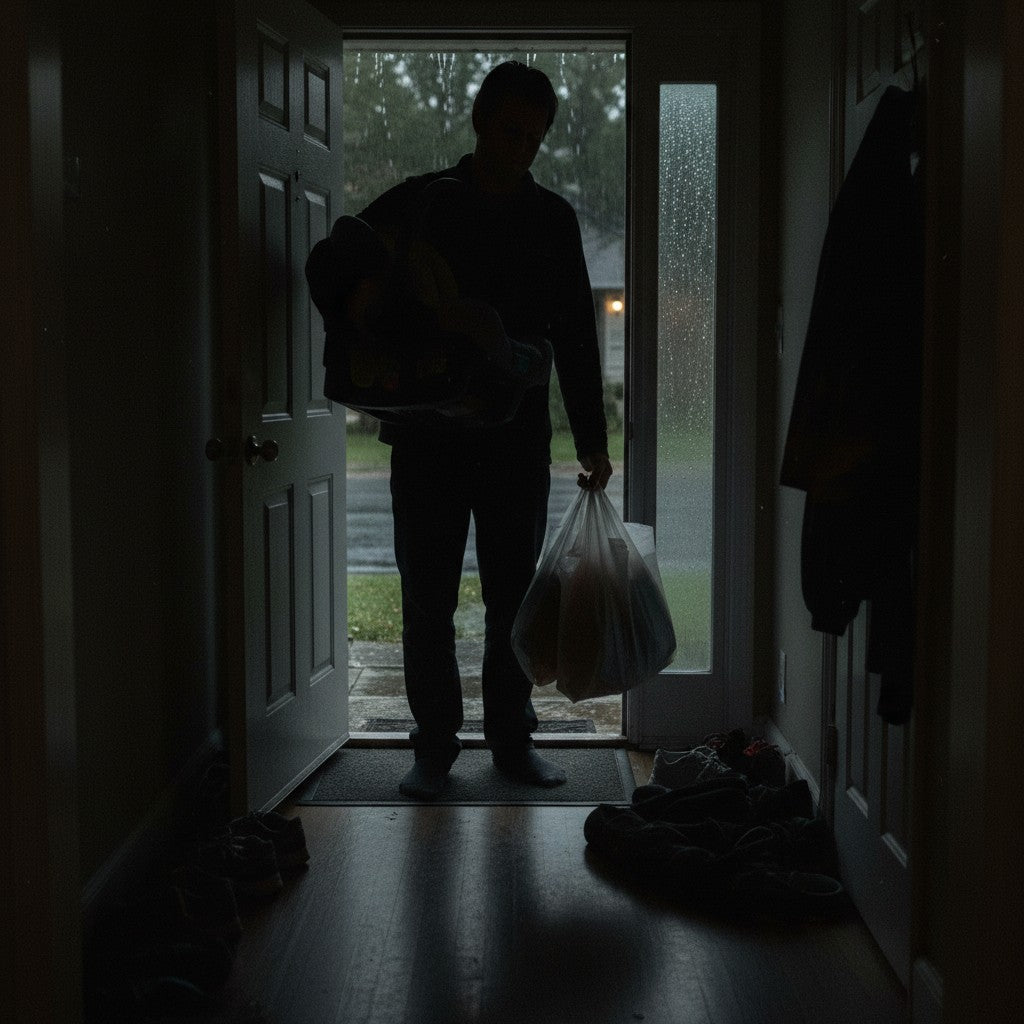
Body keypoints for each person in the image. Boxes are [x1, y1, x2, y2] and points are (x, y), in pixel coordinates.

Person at [357, 61, 613, 800]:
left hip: (515, 440)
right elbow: (347, 270)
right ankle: (434, 749)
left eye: (536, 138)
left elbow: (576, 332)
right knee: (426, 599)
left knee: (512, 599)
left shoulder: (552, 219)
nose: (523, 149)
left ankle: (510, 741)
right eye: (511, 132)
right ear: (480, 122)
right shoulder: (421, 202)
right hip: (426, 439)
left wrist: (591, 438)